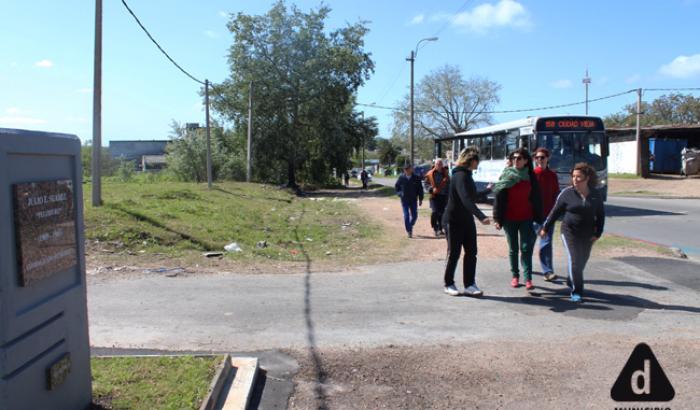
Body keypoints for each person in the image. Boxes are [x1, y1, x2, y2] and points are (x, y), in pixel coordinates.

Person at [540, 162, 605, 303]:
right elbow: (554, 212)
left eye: (579, 177)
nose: (575, 180)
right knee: (575, 260)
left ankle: (572, 278)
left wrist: (598, 233)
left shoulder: (595, 194)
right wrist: (545, 228)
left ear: (587, 178)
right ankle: (577, 291)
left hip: (588, 233)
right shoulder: (567, 193)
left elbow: (600, 215)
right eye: (573, 177)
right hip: (569, 232)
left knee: (582, 260)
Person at [493, 148, 543, 291]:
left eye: (519, 158)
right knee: (513, 249)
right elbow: (499, 199)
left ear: (526, 161)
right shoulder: (506, 176)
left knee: (526, 248)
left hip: (526, 218)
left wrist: (539, 218)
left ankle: (528, 279)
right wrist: (497, 219)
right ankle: (515, 276)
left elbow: (537, 199)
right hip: (509, 218)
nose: (516, 160)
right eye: (514, 158)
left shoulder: (530, 176)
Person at [443, 148, 491, 297]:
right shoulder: (460, 176)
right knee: (454, 253)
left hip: (466, 220)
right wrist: (481, 216)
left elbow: (472, 196)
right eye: (478, 161)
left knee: (471, 252)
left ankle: (469, 284)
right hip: (453, 220)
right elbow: (465, 199)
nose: (478, 164)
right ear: (472, 161)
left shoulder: (467, 175)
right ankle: (449, 283)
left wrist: (487, 191)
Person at [532, 148, 560, 282]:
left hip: (549, 215)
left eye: (542, 157)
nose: (540, 160)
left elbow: (556, 194)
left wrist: (557, 211)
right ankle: (525, 266)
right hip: (533, 215)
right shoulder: (532, 174)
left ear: (547, 158)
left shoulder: (553, 175)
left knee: (546, 242)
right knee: (528, 243)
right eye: (537, 157)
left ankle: (548, 271)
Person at [394, 164, 424, 238]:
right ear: (404, 170)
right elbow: (397, 187)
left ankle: (410, 225)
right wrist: (400, 194)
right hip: (405, 200)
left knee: (415, 216)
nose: (407, 170)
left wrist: (420, 199)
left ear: (411, 169)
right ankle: (409, 231)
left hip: (413, 200)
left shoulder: (416, 178)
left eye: (408, 169)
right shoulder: (401, 178)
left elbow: (420, 189)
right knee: (406, 216)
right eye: (405, 169)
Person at [423, 158, 450, 237]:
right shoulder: (430, 174)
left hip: (443, 196)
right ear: (435, 165)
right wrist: (431, 189)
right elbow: (425, 184)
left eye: (441, 164)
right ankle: (435, 227)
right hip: (434, 196)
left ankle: (440, 229)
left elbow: (449, 184)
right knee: (435, 212)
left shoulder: (445, 174)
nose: (439, 165)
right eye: (438, 164)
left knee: (442, 213)